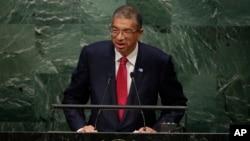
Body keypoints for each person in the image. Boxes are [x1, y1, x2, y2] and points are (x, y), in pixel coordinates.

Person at [62, 5, 187, 133]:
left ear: (139, 33)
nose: (119, 37)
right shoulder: (92, 55)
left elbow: (177, 106)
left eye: (127, 31)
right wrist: (81, 128)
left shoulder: (158, 61)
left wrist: (157, 131)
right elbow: (72, 98)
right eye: (115, 30)